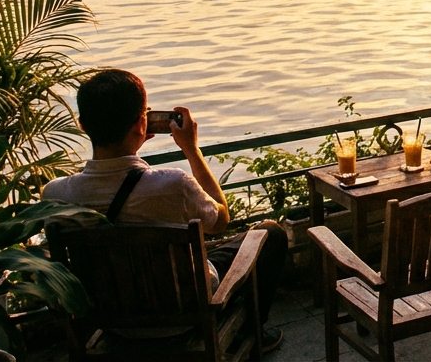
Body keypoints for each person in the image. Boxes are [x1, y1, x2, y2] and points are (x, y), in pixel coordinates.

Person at [43, 70, 286, 352]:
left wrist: (131, 140)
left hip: (112, 320)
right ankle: (250, 334)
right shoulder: (173, 184)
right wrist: (191, 149)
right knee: (270, 234)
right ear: (140, 123)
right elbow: (221, 220)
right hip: (186, 312)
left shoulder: (56, 194)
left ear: (82, 124)